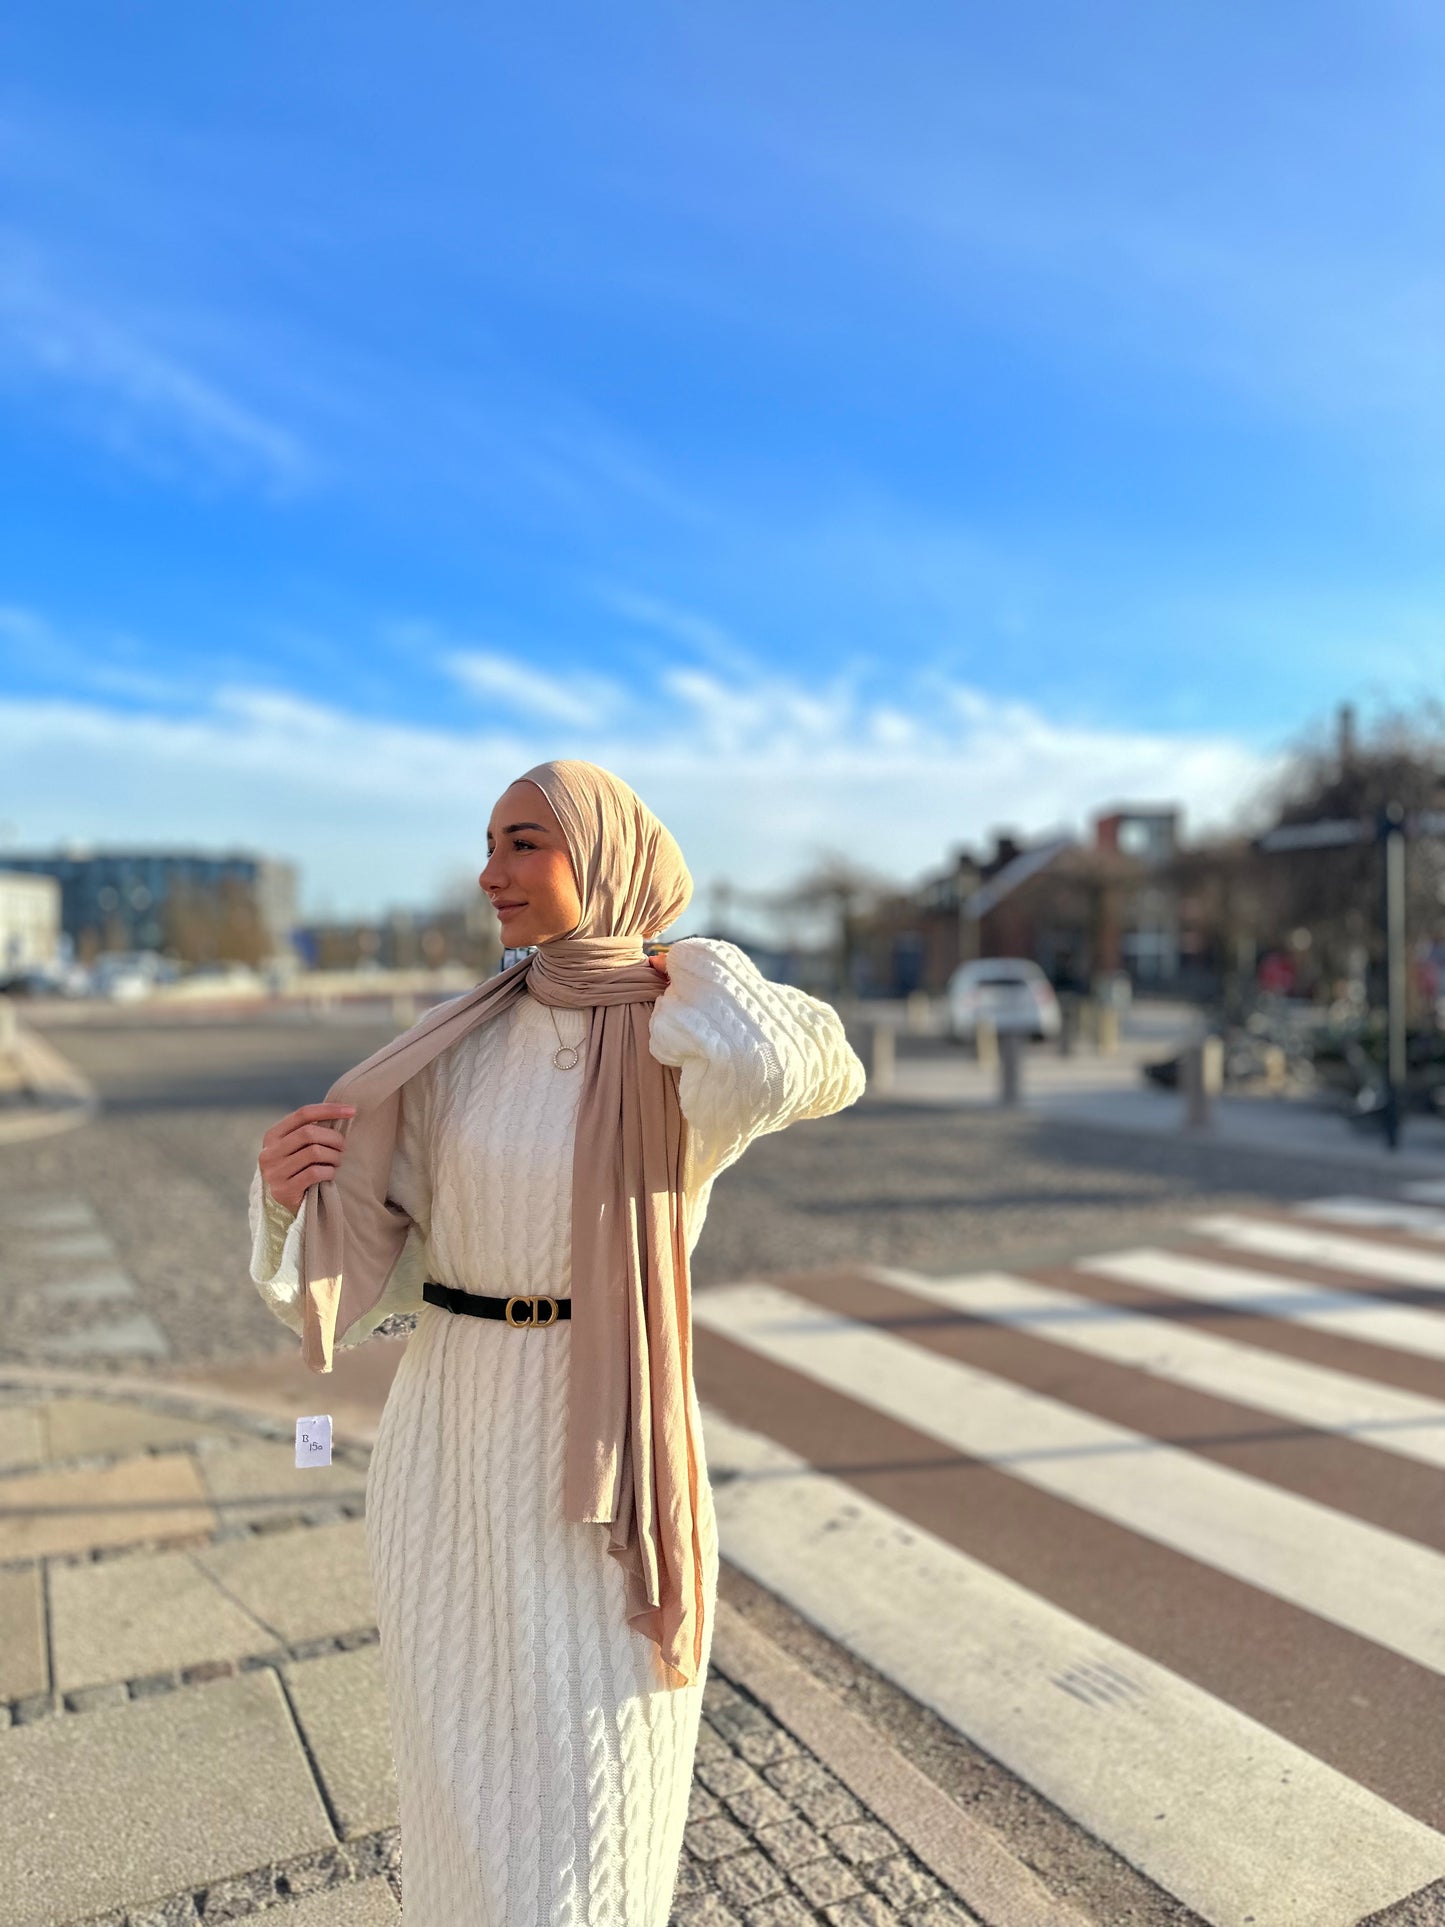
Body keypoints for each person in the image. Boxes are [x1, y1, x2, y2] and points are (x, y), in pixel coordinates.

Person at [248, 758, 866, 1927]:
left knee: (595, 1811)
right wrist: (289, 1203)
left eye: (524, 842)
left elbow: (797, 1064)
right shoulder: (454, 1045)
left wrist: (676, 957)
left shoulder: (676, 1044)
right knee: (459, 1801)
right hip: (447, 1436)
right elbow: (358, 1263)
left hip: (607, 1444)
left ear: (610, 858)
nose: (492, 872)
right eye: (488, 844)